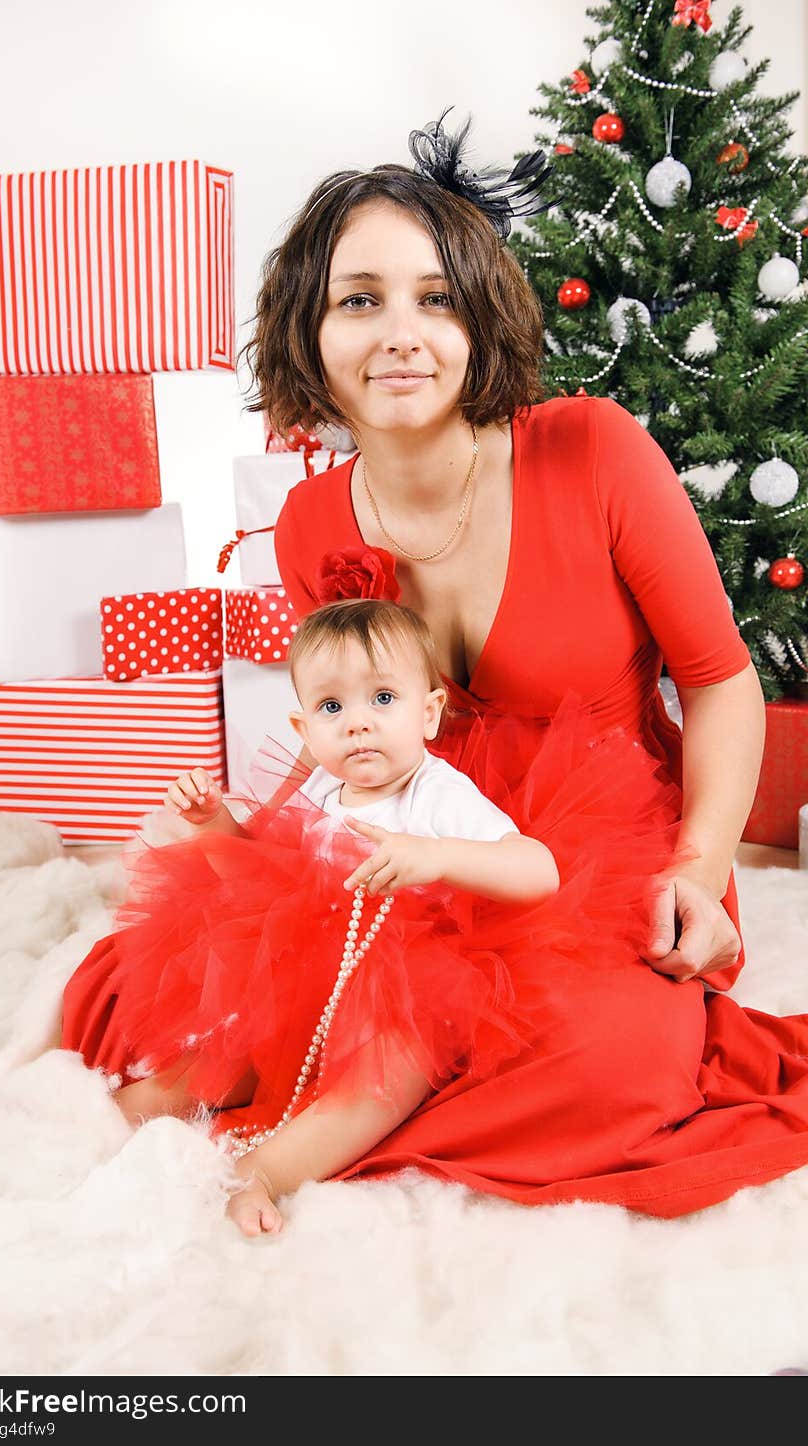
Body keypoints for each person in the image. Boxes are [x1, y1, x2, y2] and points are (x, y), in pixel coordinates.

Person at [246, 109, 808, 1218]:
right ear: (308, 334)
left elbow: (716, 678)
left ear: (480, 318)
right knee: (205, 989)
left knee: (606, 1071)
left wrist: (698, 868)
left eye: (435, 297)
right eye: (359, 299)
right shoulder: (310, 521)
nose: (399, 332)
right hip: (421, 816)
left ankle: (366, 1135)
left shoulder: (592, 449)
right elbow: (356, 725)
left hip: (597, 840)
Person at [57, 597, 680, 1237]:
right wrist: (211, 823)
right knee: (211, 1063)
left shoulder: (435, 794)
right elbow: (252, 870)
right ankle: (75, 1121)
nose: (358, 724)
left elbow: (538, 870)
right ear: (305, 730)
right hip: (302, 977)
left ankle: (265, 1172)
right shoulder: (320, 788)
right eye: (333, 708)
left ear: (429, 714)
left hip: (407, 987)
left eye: (383, 699)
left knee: (381, 1082)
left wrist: (435, 855)